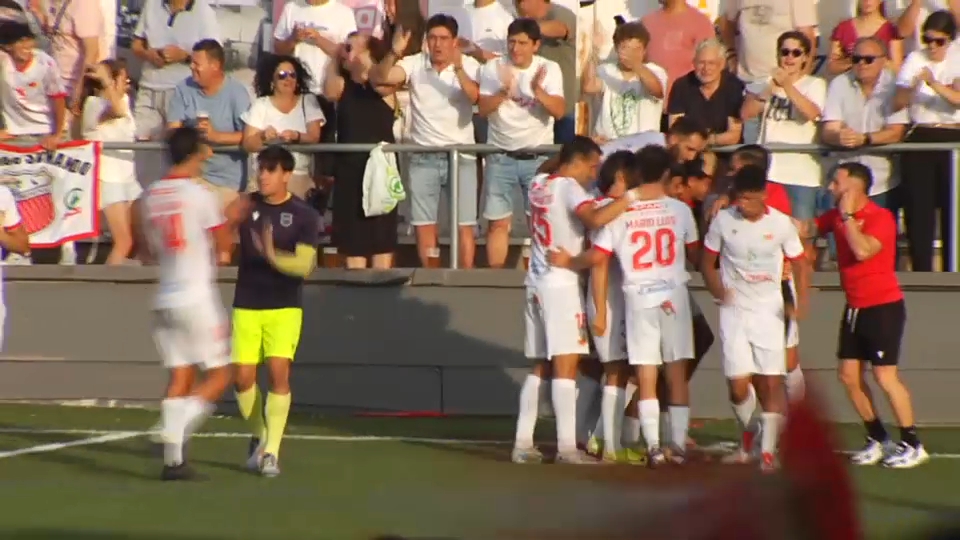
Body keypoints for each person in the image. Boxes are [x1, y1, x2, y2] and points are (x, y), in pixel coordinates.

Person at [551, 145, 700, 468]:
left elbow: (599, 258)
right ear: (665, 174)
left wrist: (570, 261)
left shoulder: (621, 212)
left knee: (644, 374)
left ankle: (655, 447)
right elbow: (698, 255)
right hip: (673, 294)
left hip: (637, 298)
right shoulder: (680, 210)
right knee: (675, 373)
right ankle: (677, 445)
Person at [511, 136, 647, 465]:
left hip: (536, 282)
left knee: (541, 365)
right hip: (561, 284)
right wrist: (634, 196)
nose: (593, 173)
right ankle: (567, 447)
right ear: (576, 162)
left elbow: (549, 166)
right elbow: (595, 220)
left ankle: (522, 442)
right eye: (591, 165)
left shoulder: (539, 183)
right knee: (566, 364)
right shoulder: (570, 188)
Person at [133, 126, 250, 481]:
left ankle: (174, 462)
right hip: (195, 296)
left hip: (164, 295)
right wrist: (234, 219)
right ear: (195, 152)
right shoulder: (199, 194)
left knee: (180, 375)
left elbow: (144, 248)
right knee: (220, 373)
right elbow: (222, 242)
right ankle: (173, 429)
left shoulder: (151, 195)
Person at [797, 162, 927, 469]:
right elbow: (806, 228)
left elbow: (863, 251)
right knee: (848, 376)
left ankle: (912, 442)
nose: (830, 188)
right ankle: (878, 438)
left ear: (854, 187)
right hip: (855, 307)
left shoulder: (880, 218)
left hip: (883, 307)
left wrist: (847, 217)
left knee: (885, 376)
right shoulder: (836, 217)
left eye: (837, 183)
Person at [701, 164, 810, 472]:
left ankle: (766, 453)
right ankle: (749, 438)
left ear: (763, 195)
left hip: (768, 310)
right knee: (737, 385)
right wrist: (719, 290)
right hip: (734, 311)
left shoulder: (781, 224)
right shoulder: (724, 221)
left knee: (771, 381)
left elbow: (800, 263)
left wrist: (800, 301)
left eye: (749, 199)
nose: (743, 205)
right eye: (740, 199)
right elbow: (707, 261)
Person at [232, 145, 321, 478]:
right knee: (242, 378)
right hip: (246, 302)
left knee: (278, 373)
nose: (264, 176)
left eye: (271, 170)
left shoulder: (304, 215)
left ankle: (271, 452)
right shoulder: (246, 205)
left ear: (286, 174)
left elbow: (305, 265)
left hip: (284, 306)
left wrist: (272, 255)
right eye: (261, 169)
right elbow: (223, 231)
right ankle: (260, 434)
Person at [370, 14, 482, 269]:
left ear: (455, 41)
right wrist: (393, 52)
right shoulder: (414, 63)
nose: (437, 44)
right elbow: (380, 78)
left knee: (464, 224)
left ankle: (466, 280)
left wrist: (459, 68)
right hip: (423, 157)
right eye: (432, 38)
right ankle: (432, 277)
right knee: (423, 224)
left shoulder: (470, 65)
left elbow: (476, 97)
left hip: (461, 156)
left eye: (443, 39)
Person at [478, 18, 565, 268]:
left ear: (536, 45)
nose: (516, 48)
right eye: (512, 42)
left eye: (523, 43)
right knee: (497, 223)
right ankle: (495, 281)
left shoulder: (550, 68)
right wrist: (504, 92)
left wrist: (538, 91)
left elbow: (559, 111)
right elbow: (482, 110)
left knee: (538, 222)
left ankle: (541, 274)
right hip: (500, 155)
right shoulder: (493, 67)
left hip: (538, 158)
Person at [323, 34, 400, 270]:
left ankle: (382, 297)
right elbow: (329, 91)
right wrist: (337, 56)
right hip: (349, 171)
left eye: (351, 47)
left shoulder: (383, 87)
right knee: (353, 243)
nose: (347, 52)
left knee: (380, 241)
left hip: (379, 172)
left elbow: (379, 77)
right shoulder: (344, 86)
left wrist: (364, 57)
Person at [893, 10, 960, 272]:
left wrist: (933, 84)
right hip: (922, 132)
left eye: (939, 41)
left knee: (952, 206)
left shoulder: (957, 58)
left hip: (953, 135)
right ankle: (921, 270)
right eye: (927, 39)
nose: (932, 46)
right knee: (919, 208)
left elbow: (957, 100)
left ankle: (953, 269)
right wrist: (909, 89)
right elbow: (898, 100)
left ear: (950, 40)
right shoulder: (914, 58)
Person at [740, 31, 826, 223]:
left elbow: (811, 113)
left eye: (796, 53)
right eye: (785, 52)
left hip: (801, 175)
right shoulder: (764, 83)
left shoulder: (815, 84)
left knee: (801, 234)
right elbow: (746, 113)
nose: (789, 58)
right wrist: (771, 87)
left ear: (804, 57)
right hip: (769, 172)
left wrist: (787, 85)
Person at [167, 39, 251, 207]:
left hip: (227, 183)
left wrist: (216, 137)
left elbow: (250, 136)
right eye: (191, 62)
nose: (191, 67)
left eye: (197, 63)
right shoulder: (183, 89)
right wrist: (195, 140)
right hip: (192, 179)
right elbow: (173, 130)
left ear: (215, 65)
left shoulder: (237, 93)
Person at [80, 59, 142, 265]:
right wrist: (106, 81)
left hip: (128, 180)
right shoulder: (93, 105)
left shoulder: (124, 101)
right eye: (123, 78)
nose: (128, 82)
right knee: (123, 241)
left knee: (140, 238)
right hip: (108, 180)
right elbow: (115, 111)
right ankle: (105, 287)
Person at [241, 54, 325, 200]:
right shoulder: (261, 104)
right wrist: (262, 136)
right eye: (282, 75)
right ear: (272, 80)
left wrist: (296, 136)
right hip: (264, 178)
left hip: (297, 178)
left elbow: (314, 136)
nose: (288, 79)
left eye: (293, 75)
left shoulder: (308, 101)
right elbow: (248, 144)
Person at [581, 21, 666, 142]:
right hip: (608, 144)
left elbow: (657, 91)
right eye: (625, 48)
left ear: (644, 50)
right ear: (616, 48)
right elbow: (589, 87)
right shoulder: (605, 70)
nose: (631, 54)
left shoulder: (656, 71)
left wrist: (635, 64)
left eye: (636, 49)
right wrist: (593, 51)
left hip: (642, 147)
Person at [827, 0, 903, 75]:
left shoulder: (890, 29)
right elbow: (832, 67)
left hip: (882, 83)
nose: (867, 1)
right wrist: (851, 60)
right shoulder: (843, 28)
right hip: (851, 82)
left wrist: (875, 59)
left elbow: (897, 69)